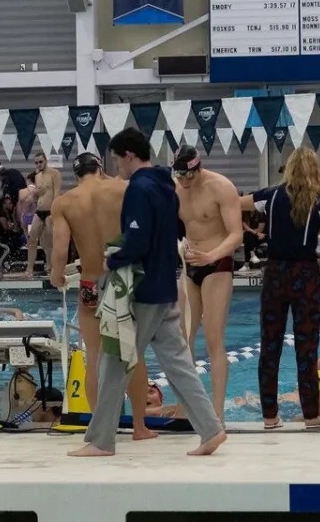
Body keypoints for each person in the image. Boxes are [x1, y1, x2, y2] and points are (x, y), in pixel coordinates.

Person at [72, 128, 226, 457]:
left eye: (116, 160)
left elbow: (139, 240)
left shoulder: (140, 188)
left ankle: (100, 441)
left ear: (129, 155)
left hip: (140, 289)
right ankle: (211, 430)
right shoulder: (165, 184)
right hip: (164, 284)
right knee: (179, 363)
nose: (116, 168)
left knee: (113, 360)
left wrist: (114, 255)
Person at [244, 146, 320, 429]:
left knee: (270, 346)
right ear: (316, 170)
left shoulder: (271, 195)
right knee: (307, 348)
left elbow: (233, 203)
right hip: (306, 276)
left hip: (275, 274)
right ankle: (312, 417)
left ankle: (269, 417)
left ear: (289, 168)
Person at [48, 151, 150, 430]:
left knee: (93, 357)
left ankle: (100, 428)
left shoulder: (65, 202)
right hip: (123, 279)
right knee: (131, 354)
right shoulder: (122, 189)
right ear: (100, 168)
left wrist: (57, 276)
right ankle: (140, 427)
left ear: (76, 175)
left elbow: (60, 250)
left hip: (90, 285)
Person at [173, 146, 242, 415]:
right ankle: (184, 408)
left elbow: (236, 235)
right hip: (189, 265)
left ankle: (217, 414)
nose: (185, 182)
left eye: (189, 177)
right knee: (183, 340)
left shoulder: (221, 187)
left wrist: (210, 256)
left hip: (217, 264)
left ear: (198, 168)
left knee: (213, 338)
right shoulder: (176, 189)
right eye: (180, 177)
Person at [26, 152, 62, 276]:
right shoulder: (37, 175)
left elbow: (57, 193)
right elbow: (37, 195)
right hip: (39, 211)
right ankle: (29, 270)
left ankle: (52, 268)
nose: (38, 164)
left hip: (50, 212)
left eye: (40, 162)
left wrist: (54, 212)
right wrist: (36, 193)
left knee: (49, 243)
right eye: (36, 163)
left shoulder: (54, 173)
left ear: (46, 160)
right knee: (32, 240)